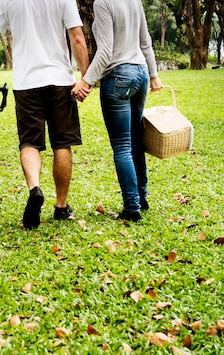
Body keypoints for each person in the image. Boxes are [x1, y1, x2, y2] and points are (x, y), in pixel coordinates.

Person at [0, 0, 90, 229]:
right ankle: (61, 207)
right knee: (62, 143)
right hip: (60, 82)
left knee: (29, 142)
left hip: (26, 84)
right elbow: (76, 37)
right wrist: (86, 76)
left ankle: (35, 189)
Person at [74, 0, 162, 222]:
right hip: (140, 73)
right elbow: (145, 42)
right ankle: (142, 198)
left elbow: (105, 50)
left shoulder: (103, 3)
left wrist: (86, 82)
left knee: (122, 145)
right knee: (135, 142)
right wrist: (153, 75)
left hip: (119, 76)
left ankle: (132, 208)